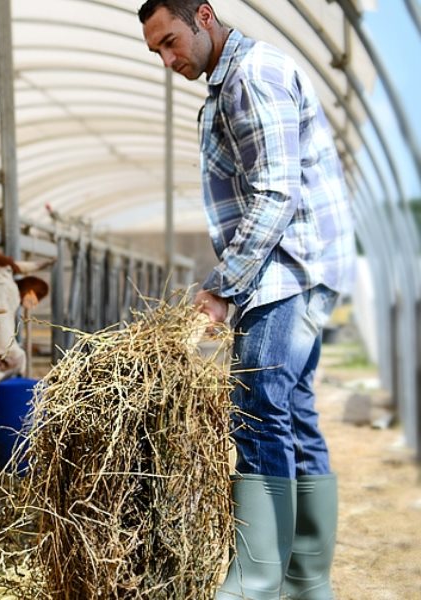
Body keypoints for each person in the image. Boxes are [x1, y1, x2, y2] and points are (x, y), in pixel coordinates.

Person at [138, 2, 356, 599]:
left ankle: (258, 582)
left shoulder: (251, 77)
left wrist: (221, 286)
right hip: (305, 266)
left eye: (171, 41)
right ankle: (307, 582)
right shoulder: (230, 81)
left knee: (257, 406)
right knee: (293, 412)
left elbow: (276, 192)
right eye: (156, 50)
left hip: (290, 269)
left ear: (204, 16)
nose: (167, 59)